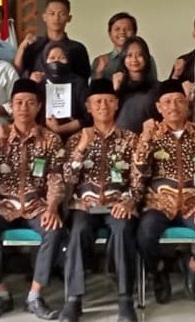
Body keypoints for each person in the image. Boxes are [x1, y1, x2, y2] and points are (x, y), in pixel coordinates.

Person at [0, 79, 66, 321]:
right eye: (19, 102)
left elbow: (56, 178)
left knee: (54, 230)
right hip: (4, 205)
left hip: (37, 204)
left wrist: (52, 207)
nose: (24, 108)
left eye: (30, 103)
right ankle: (1, 293)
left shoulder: (50, 139)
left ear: (39, 106)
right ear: (11, 106)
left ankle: (34, 296)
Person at [134, 80, 195, 304]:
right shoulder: (152, 134)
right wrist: (145, 139)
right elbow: (139, 171)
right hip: (158, 205)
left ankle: (193, 266)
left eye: (178, 101)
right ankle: (159, 271)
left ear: (187, 105)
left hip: (193, 205)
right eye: (167, 102)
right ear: (159, 107)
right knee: (144, 233)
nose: (173, 106)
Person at [60, 79, 142, 322]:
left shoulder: (130, 139)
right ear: (88, 107)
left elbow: (139, 178)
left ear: (116, 104)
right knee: (78, 231)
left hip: (118, 203)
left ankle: (125, 299)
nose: (103, 106)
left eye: (108, 101)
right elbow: (67, 179)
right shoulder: (76, 139)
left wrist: (129, 201)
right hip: (84, 205)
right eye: (97, 102)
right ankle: (73, 299)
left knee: (123, 229)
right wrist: (82, 148)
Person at [16, 0, 91, 79]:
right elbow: (18, 73)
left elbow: (83, 79)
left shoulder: (78, 49)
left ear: (69, 18)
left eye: (62, 14)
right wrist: (21, 48)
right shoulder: (34, 47)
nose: (56, 18)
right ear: (44, 17)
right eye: (52, 13)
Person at [37, 41, 90, 140]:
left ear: (69, 60)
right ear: (44, 60)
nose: (56, 62)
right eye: (52, 58)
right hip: (44, 139)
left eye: (62, 58)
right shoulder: (39, 84)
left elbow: (87, 117)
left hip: (76, 138)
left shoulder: (78, 83)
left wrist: (60, 129)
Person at [92, 12, 158, 81]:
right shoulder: (100, 61)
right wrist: (99, 72)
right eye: (117, 29)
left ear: (135, 33)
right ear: (110, 33)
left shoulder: (146, 59)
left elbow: (153, 84)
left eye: (128, 29)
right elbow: (94, 87)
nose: (122, 32)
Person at [113, 36, 159, 133]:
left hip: (148, 138)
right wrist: (115, 90)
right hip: (120, 138)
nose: (134, 59)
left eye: (139, 55)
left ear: (146, 58)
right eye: (129, 55)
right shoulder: (116, 86)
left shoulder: (157, 88)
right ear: (123, 58)